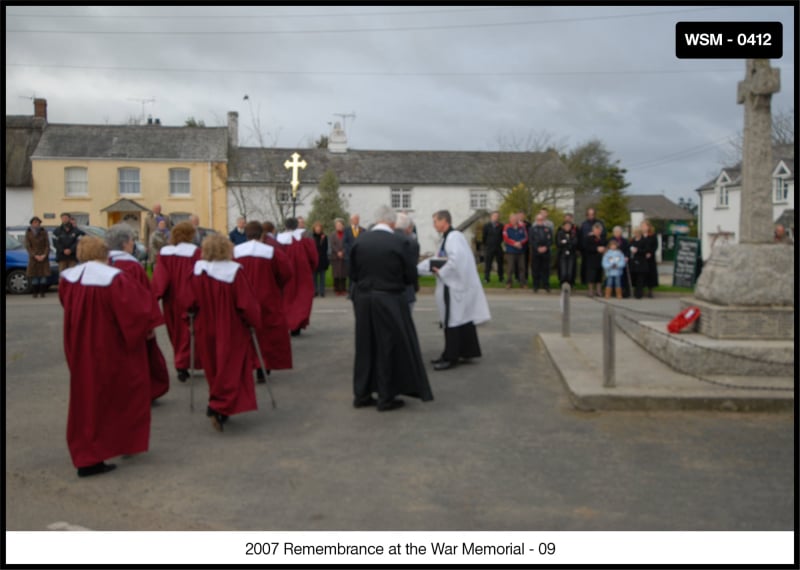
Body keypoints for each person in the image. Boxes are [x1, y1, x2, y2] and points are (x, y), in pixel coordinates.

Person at [59, 236, 153, 477]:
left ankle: (89, 451)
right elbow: (135, 311)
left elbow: (65, 304)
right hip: (109, 345)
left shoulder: (70, 278)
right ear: (105, 254)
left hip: (78, 344)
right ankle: (99, 453)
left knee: (85, 397)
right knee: (120, 393)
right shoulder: (113, 278)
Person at [350, 206, 432, 411]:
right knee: (387, 345)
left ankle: (361, 393)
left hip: (363, 298)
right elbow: (409, 276)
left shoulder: (360, 240)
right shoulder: (400, 242)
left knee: (365, 345)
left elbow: (353, 273)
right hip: (389, 298)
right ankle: (386, 396)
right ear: (393, 222)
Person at [189, 234, 262, 432]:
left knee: (213, 367)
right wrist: (254, 322)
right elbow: (246, 304)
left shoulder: (198, 271)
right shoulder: (234, 272)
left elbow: (188, 302)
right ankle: (218, 406)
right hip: (230, 327)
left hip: (205, 325)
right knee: (231, 367)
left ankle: (218, 402)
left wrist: (189, 317)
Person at [418, 210, 491, 371]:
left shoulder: (453, 237)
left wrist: (441, 272)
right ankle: (465, 351)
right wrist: (419, 268)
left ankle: (450, 357)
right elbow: (440, 259)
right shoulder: (447, 237)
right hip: (454, 286)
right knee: (459, 319)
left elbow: (455, 261)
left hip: (454, 288)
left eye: (435, 221)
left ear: (444, 221)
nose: (434, 225)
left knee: (452, 320)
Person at [106, 223, 170, 402]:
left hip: (109, 323)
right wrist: (149, 323)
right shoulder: (131, 267)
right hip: (132, 323)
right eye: (132, 240)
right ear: (125, 243)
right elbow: (143, 296)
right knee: (136, 360)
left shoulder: (103, 263)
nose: (133, 244)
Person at [234, 221, 294, 382]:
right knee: (266, 333)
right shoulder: (271, 252)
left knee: (243, 333)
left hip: (242, 296)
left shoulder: (236, 252)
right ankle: (263, 365)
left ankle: (246, 365)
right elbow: (286, 272)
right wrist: (276, 285)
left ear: (246, 234)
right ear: (262, 235)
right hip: (266, 295)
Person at [152, 221, 203, 382]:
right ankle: (183, 362)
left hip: (171, 298)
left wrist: (155, 296)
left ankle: (181, 363)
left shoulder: (164, 253)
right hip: (189, 295)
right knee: (188, 332)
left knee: (175, 331)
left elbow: (161, 277)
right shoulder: (195, 252)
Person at [277, 217, 319, 336]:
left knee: (285, 299)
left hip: (284, 276)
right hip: (302, 275)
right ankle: (296, 325)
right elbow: (314, 259)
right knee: (301, 299)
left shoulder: (278, 241)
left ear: (285, 226)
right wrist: (310, 269)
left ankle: (286, 323)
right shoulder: (305, 241)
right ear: (297, 226)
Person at [395, 212, 420, 310]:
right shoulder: (412, 243)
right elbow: (412, 269)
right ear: (408, 227)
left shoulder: (384, 240)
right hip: (407, 290)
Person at [24, 216, 51, 298]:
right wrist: (34, 255)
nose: (36, 224)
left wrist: (44, 255)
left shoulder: (43, 231)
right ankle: (35, 293)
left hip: (43, 256)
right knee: (34, 276)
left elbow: (47, 244)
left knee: (43, 276)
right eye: (34, 222)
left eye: (37, 222)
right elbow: (28, 246)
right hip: (33, 257)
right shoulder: (28, 232)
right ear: (31, 224)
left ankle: (42, 292)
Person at [577, 208, 606, 286]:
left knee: (597, 269)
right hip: (586, 249)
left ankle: (598, 286)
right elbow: (580, 236)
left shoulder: (600, 223)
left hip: (597, 250)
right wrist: (579, 248)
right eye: (589, 214)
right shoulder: (584, 224)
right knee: (586, 267)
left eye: (592, 214)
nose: (591, 216)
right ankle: (584, 282)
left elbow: (603, 236)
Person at [529, 213, 553, 293]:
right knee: (536, 269)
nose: (540, 221)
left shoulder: (548, 229)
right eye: (538, 220)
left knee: (545, 269)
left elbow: (550, 240)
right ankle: (536, 285)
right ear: (536, 220)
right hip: (536, 252)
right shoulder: (532, 229)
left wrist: (545, 247)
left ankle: (546, 285)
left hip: (546, 252)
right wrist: (537, 248)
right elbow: (531, 240)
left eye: (541, 220)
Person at [502, 213, 528, 289]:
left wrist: (520, 242)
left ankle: (522, 283)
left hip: (520, 251)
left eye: (515, 219)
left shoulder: (522, 227)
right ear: (510, 220)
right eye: (512, 219)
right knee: (510, 268)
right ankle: (509, 283)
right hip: (511, 251)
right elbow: (506, 238)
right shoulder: (506, 227)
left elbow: (526, 237)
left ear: (517, 220)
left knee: (522, 268)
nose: (514, 221)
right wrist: (514, 243)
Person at [582, 222, 607, 297]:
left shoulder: (603, 238)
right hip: (591, 259)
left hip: (600, 259)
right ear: (593, 230)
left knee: (599, 276)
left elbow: (606, 246)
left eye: (599, 230)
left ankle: (599, 291)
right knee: (591, 276)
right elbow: (586, 247)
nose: (598, 231)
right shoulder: (589, 238)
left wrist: (604, 249)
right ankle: (590, 291)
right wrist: (596, 249)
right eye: (596, 230)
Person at [343, 213, 365, 296]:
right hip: (350, 256)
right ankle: (351, 292)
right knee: (351, 274)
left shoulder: (363, 230)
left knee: (360, 274)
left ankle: (359, 291)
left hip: (360, 256)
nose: (356, 221)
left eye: (358, 219)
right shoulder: (346, 230)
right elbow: (345, 243)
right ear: (351, 220)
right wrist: (351, 250)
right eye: (355, 219)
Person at [481, 211, 505, 284]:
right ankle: (486, 278)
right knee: (488, 263)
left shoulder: (501, 226)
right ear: (491, 217)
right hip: (489, 247)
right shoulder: (486, 226)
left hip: (498, 247)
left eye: (497, 216)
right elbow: (484, 237)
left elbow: (503, 236)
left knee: (500, 263)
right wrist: (487, 244)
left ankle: (501, 278)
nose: (496, 217)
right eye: (494, 216)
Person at [555, 220, 578, 288]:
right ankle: (562, 283)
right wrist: (568, 242)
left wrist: (566, 241)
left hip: (571, 254)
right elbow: (559, 243)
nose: (567, 227)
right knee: (563, 270)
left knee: (570, 271)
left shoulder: (573, 233)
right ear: (563, 226)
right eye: (566, 226)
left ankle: (570, 283)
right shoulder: (560, 233)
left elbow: (575, 242)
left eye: (569, 226)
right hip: (562, 254)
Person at [611, 226, 632, 298]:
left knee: (623, 277)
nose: (617, 233)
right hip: (613, 261)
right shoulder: (611, 240)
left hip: (622, 261)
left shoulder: (625, 241)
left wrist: (626, 256)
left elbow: (627, 250)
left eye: (618, 232)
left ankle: (624, 292)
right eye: (615, 232)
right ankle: (613, 291)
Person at [311, 221, 330, 298]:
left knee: (322, 276)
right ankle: (315, 291)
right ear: (314, 229)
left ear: (321, 229)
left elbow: (326, 248)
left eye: (319, 228)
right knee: (314, 277)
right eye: (316, 228)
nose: (318, 229)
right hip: (314, 259)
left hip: (322, 259)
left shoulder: (324, 237)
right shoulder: (312, 237)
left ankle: (322, 291)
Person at [640, 220, 658, 298]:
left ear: (648, 227)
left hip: (650, 258)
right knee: (642, 274)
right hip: (641, 257)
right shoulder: (640, 236)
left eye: (644, 226)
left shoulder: (653, 236)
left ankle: (650, 290)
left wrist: (650, 253)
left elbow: (655, 246)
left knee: (651, 274)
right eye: (642, 226)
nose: (643, 228)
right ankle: (642, 289)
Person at [329, 218, 348, 296]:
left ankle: (343, 289)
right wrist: (338, 252)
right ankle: (337, 289)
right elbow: (332, 245)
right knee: (336, 274)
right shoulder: (332, 234)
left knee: (343, 273)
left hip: (344, 256)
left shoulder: (346, 234)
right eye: (337, 225)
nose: (339, 226)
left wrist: (342, 252)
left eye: (340, 225)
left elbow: (347, 244)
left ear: (343, 226)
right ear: (335, 226)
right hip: (335, 256)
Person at [629, 227, 648, 299]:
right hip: (633, 261)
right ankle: (634, 292)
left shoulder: (644, 241)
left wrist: (638, 250)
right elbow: (629, 247)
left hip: (641, 261)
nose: (636, 234)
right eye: (635, 233)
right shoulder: (632, 240)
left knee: (640, 278)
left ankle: (639, 293)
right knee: (634, 277)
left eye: (637, 233)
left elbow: (646, 250)